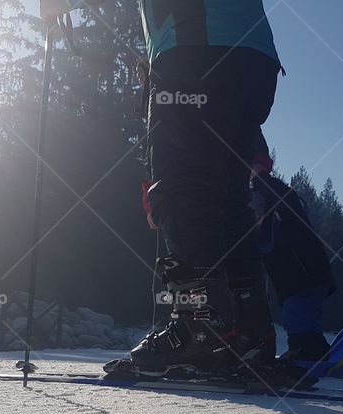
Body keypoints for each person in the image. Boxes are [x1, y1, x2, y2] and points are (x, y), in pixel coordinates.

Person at [41, 0, 283, 377]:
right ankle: (250, 333)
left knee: (182, 187)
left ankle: (203, 331)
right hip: (255, 59)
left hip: (194, 46)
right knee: (229, 195)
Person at [249, 138, 336, 362]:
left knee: (300, 320)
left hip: (306, 275)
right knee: (297, 320)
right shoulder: (263, 217)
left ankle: (309, 354)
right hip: (297, 281)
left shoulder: (281, 201)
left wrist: (259, 178)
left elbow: (281, 197)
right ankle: (307, 352)